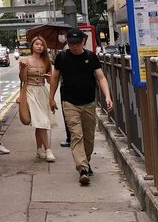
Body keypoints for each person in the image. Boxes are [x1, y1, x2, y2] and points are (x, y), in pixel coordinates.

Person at [49, 27, 114, 186]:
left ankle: (86, 161)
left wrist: (107, 96)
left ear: (83, 42)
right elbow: (55, 78)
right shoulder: (62, 57)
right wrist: (51, 98)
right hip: (70, 103)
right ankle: (83, 169)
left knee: (88, 137)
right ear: (68, 43)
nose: (74, 47)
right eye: (71, 44)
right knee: (76, 136)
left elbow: (101, 78)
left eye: (77, 44)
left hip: (89, 102)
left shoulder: (91, 57)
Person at [20, 35, 56, 162]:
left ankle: (39, 150)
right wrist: (23, 68)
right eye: (37, 44)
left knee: (39, 123)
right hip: (30, 91)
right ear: (32, 46)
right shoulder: (25, 60)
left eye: (41, 45)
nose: (39, 46)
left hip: (42, 91)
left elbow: (51, 80)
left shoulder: (46, 61)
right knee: (42, 121)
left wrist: (48, 77)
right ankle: (48, 150)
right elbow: (23, 79)